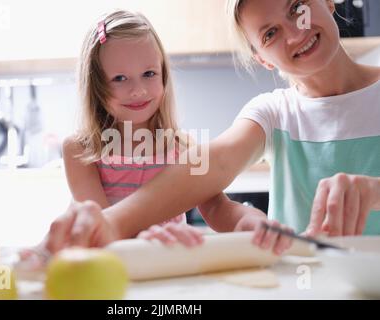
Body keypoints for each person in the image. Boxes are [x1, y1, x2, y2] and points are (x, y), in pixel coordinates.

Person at [23, 9, 294, 259]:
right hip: (114, 272)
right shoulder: (80, 150)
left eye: (149, 73)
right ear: (96, 85)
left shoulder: (183, 147)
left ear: (163, 75)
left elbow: (216, 208)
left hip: (168, 269)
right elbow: (101, 226)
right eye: (120, 78)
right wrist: (147, 241)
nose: (138, 89)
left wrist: (246, 219)